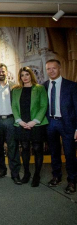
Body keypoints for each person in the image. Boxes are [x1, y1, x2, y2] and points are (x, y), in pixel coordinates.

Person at [44, 59, 77, 194]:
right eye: (48, 69)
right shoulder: (43, 86)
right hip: (50, 122)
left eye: (54, 68)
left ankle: (72, 181)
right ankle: (56, 176)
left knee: (69, 153)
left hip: (67, 123)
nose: (51, 71)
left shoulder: (71, 86)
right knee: (54, 152)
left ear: (60, 68)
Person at [12, 67, 48, 187]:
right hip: (22, 124)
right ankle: (26, 174)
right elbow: (14, 107)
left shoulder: (40, 88)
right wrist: (20, 121)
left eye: (27, 74)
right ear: (20, 77)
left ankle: (37, 175)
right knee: (25, 148)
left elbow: (44, 105)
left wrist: (35, 121)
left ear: (31, 75)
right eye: (22, 75)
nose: (25, 77)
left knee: (38, 149)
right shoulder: (16, 90)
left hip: (37, 124)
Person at [0, 63, 21, 184]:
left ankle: (15, 174)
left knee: (13, 148)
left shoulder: (14, 87)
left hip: (10, 120)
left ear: (6, 72)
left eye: (3, 71)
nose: (1, 73)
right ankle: (1, 170)